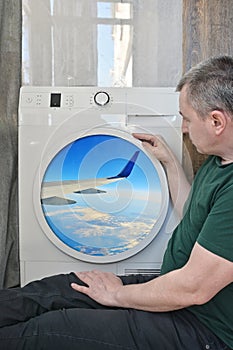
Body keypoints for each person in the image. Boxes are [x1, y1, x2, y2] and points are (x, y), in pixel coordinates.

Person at [0, 55, 233, 350]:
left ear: (216, 121)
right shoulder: (219, 161)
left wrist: (115, 296)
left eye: (186, 118)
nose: (183, 129)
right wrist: (171, 164)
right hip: (174, 289)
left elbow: (193, 289)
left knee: (46, 331)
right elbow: (196, 217)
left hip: (202, 329)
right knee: (54, 291)